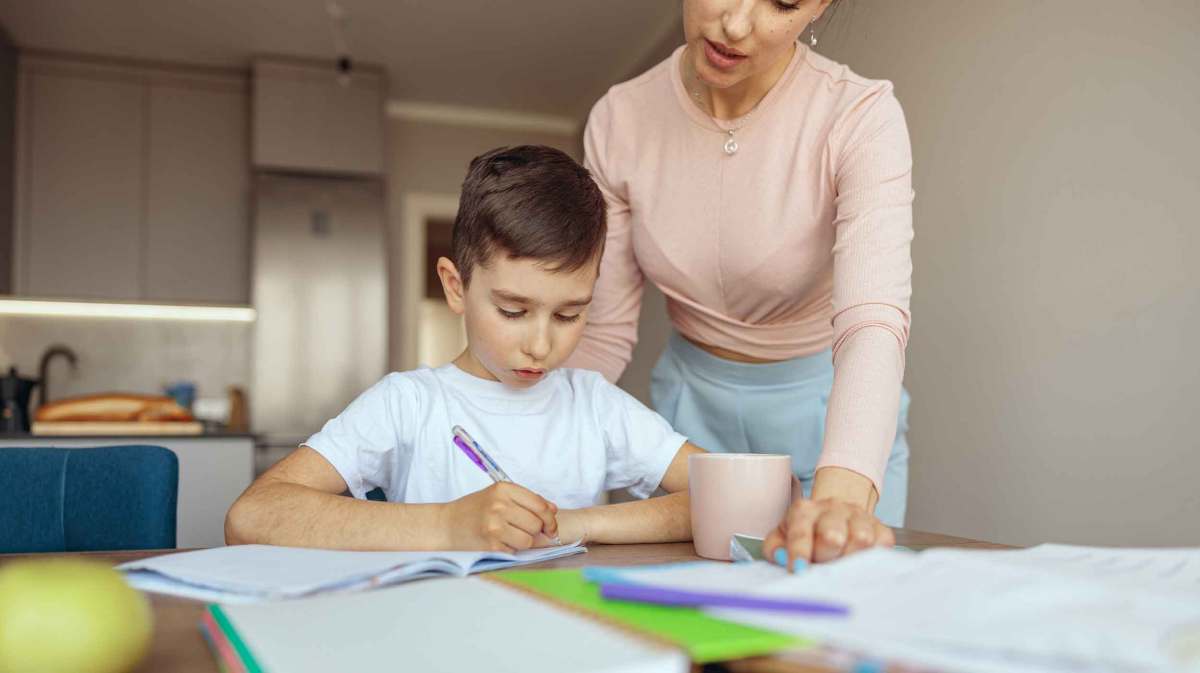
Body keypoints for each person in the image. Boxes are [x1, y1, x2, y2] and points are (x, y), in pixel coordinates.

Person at [225, 145, 705, 552]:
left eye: (569, 315)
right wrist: (447, 525)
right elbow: (252, 516)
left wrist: (577, 524)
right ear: (456, 287)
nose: (541, 345)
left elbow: (727, 499)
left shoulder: (595, 406)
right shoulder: (409, 404)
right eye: (513, 312)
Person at [567, 0, 910, 566]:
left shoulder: (860, 114)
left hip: (831, 420)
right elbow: (601, 334)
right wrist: (517, 428)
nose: (737, 24)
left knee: (820, 640)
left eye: (783, 3)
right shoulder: (619, 120)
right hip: (686, 427)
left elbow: (872, 319)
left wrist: (842, 497)